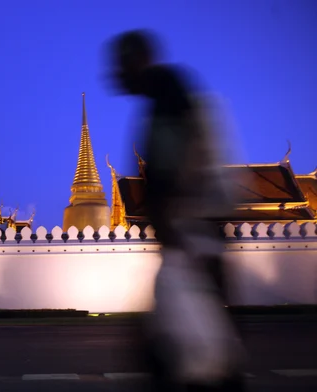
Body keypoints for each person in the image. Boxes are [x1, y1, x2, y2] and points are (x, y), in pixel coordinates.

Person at [105, 30, 246, 391]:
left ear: (136, 61)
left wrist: (169, 218)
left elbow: (176, 169)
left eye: (120, 65)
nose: (115, 75)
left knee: (200, 361)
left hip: (188, 240)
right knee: (185, 351)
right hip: (190, 240)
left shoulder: (169, 96)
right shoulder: (169, 95)